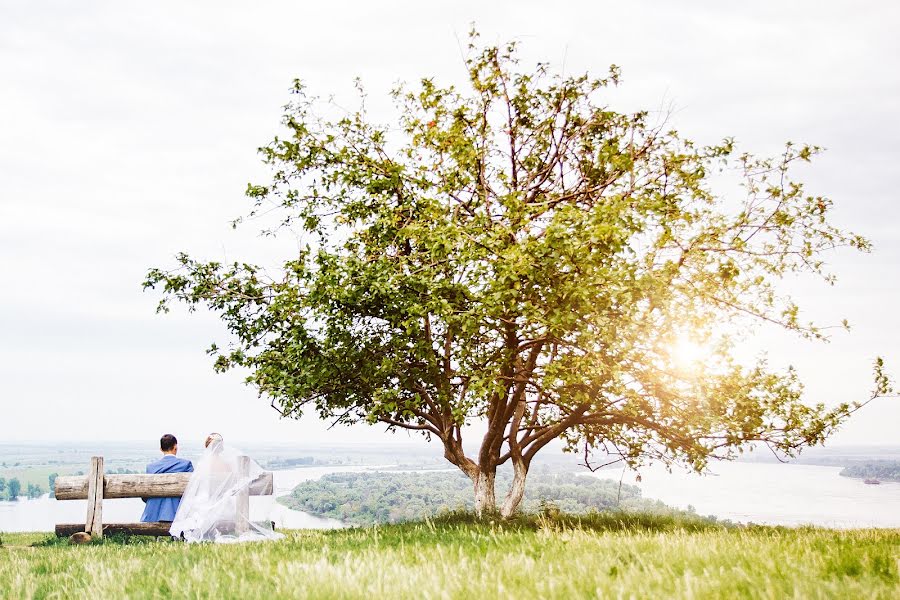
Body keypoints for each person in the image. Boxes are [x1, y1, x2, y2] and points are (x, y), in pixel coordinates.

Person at [170, 433, 282, 543]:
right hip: (223, 506)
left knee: (193, 508)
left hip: (207, 503)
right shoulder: (226, 465)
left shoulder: (203, 465)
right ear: (221, 447)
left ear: (207, 446)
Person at [140, 434, 193, 522]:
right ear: (175, 447)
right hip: (177, 514)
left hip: (153, 514)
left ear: (161, 449)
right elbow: (192, 490)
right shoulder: (185, 465)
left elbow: (145, 495)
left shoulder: (151, 467)